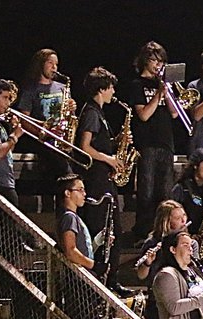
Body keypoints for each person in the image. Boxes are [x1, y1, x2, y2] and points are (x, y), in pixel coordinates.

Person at [75, 66, 130, 295]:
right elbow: (84, 146)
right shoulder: (91, 112)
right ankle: (103, 278)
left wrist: (118, 140)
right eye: (111, 87)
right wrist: (109, 158)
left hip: (102, 178)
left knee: (113, 229)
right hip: (96, 182)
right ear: (102, 89)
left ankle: (110, 277)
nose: (113, 91)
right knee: (105, 229)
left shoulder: (98, 113)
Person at [55, 174, 108, 319]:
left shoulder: (75, 218)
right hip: (78, 286)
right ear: (68, 193)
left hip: (83, 283)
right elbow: (70, 251)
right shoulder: (69, 217)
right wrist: (95, 265)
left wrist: (97, 243)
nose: (85, 194)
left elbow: (81, 248)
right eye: (80, 189)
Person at [125, 41, 179, 242]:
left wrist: (168, 92)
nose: (158, 65)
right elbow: (144, 115)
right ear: (144, 61)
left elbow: (174, 114)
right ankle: (142, 233)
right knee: (146, 193)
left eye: (161, 61)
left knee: (165, 193)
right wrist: (158, 94)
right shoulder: (137, 85)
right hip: (146, 144)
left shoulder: (163, 84)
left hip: (166, 144)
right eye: (154, 60)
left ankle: (163, 233)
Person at [15, 48, 71, 184]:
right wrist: (45, 134)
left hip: (61, 140)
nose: (54, 67)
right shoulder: (30, 89)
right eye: (50, 63)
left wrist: (72, 109)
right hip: (42, 140)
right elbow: (24, 120)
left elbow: (68, 117)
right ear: (40, 64)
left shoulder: (62, 88)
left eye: (56, 64)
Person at [135, 200, 188, 283]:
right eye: (178, 218)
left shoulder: (189, 242)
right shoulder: (152, 243)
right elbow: (141, 276)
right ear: (166, 222)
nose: (183, 221)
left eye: (184, 216)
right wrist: (147, 263)